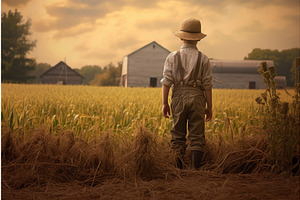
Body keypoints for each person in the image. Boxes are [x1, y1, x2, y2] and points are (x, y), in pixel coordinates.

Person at [161, 17, 213, 169]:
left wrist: (164, 103)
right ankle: (195, 170)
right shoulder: (203, 59)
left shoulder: (172, 57)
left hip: (178, 97)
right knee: (197, 135)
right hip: (198, 98)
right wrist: (209, 106)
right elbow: (207, 85)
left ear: (182, 37)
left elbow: (166, 82)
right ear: (198, 39)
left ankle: (178, 169)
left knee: (177, 135)